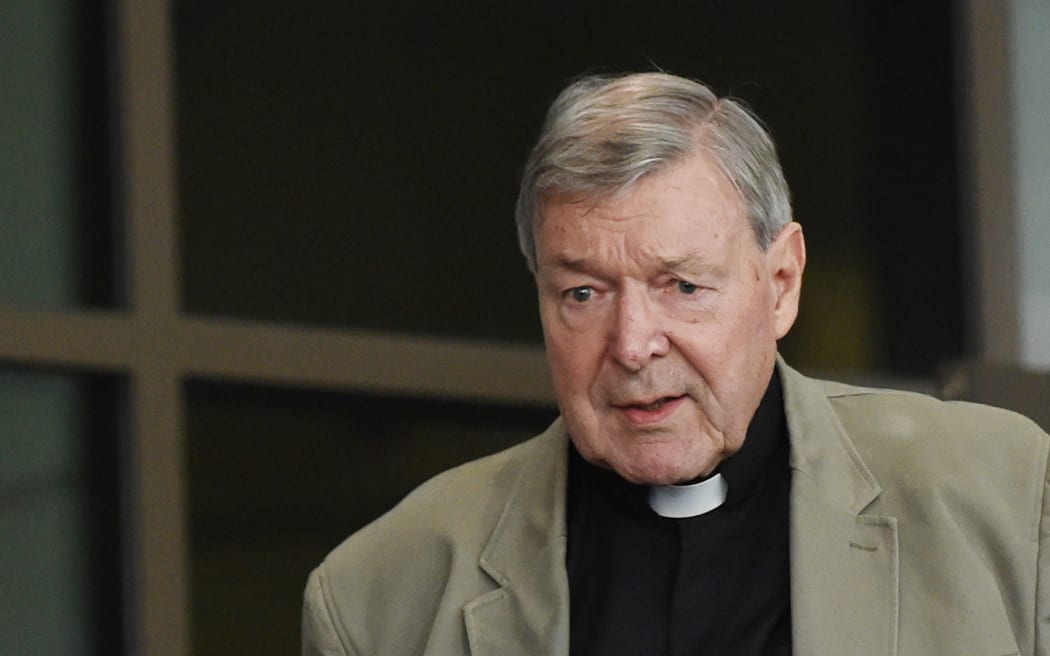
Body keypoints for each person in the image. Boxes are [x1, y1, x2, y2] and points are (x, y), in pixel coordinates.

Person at [301, 72, 1050, 655]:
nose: (632, 345)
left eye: (682, 286)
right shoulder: (382, 592)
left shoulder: (1009, 501)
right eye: (584, 293)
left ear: (782, 283)